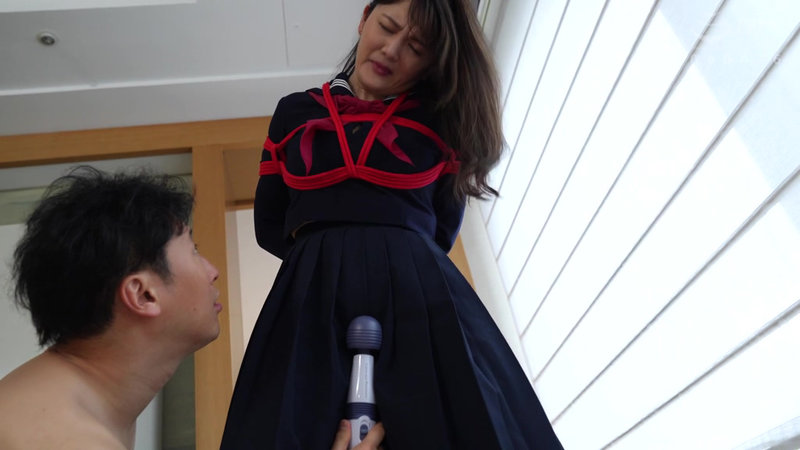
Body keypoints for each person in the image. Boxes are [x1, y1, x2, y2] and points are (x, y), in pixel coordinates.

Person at [221, 0, 564, 448]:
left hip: (410, 288)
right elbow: (270, 223)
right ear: (364, 18)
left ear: (431, 62)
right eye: (386, 26)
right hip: (318, 288)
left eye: (416, 47)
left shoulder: (443, 121)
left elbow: (441, 231)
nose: (391, 49)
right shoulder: (293, 112)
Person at [0, 166, 383, 450]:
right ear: (143, 295)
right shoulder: (64, 437)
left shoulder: (73, 400)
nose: (212, 271)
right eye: (194, 250)